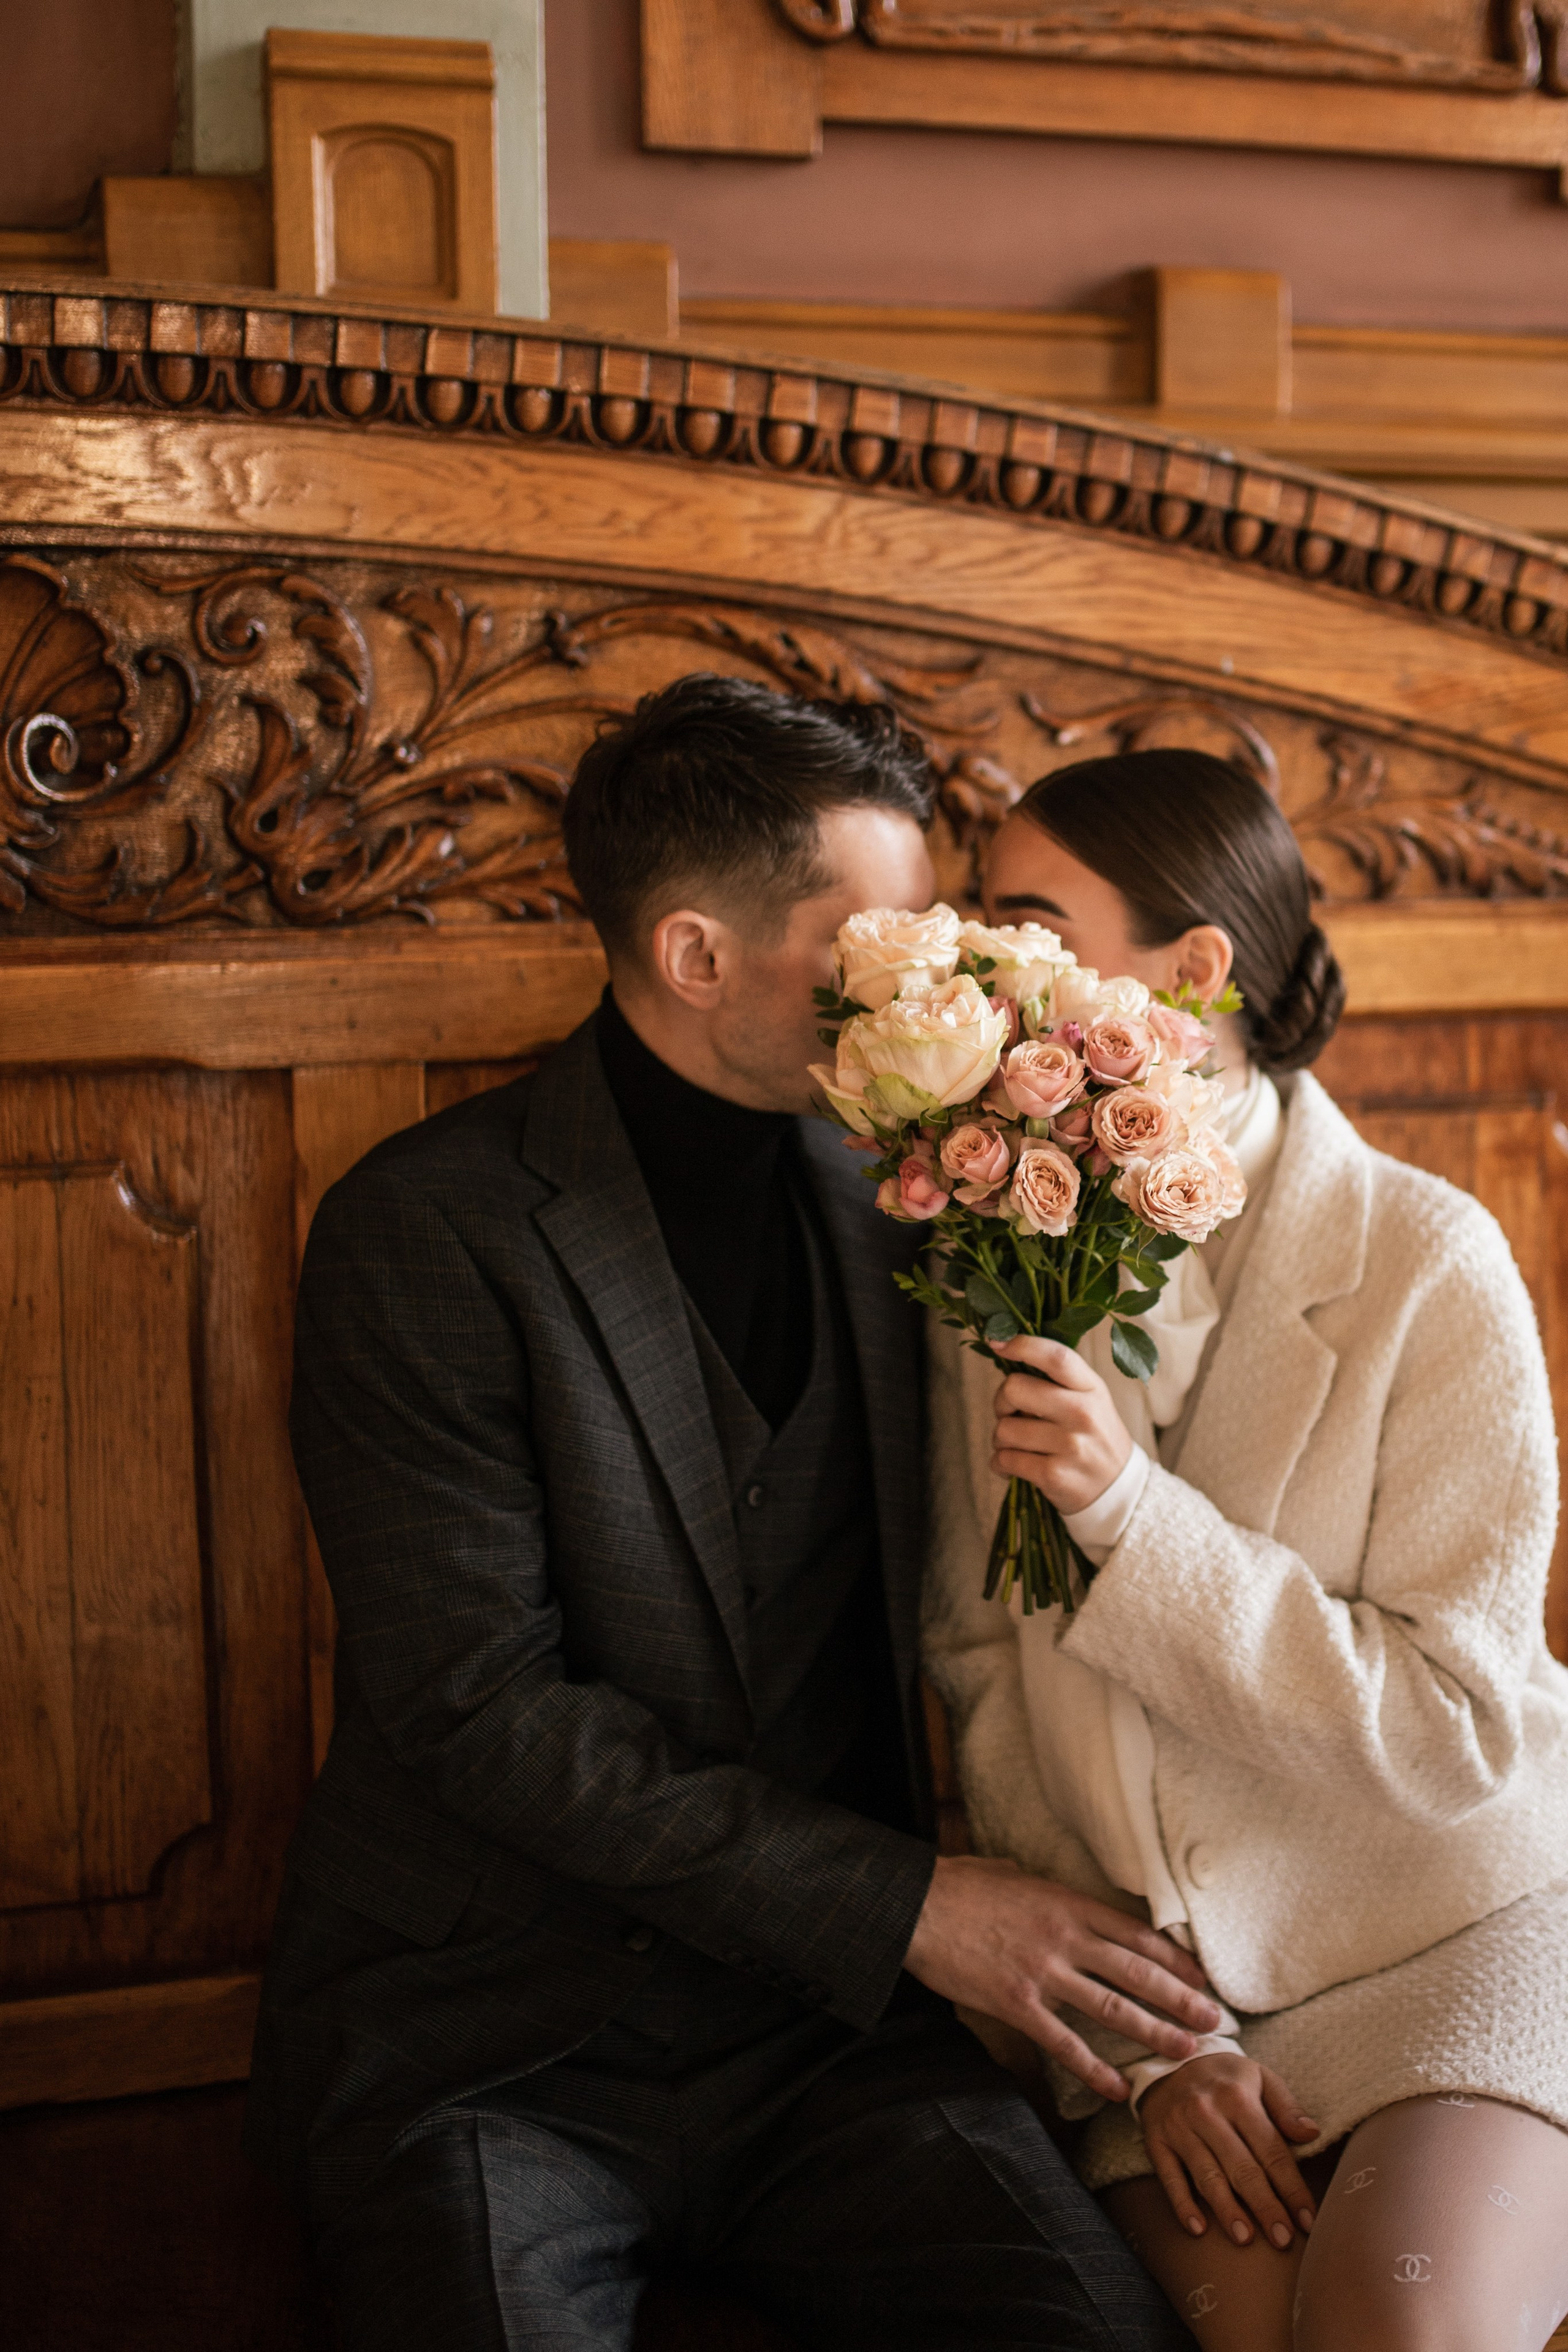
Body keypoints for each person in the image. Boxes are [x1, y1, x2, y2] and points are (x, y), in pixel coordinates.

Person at [244, 676, 1223, 2352]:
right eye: (888, 938)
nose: (939, 977)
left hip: (825, 2041)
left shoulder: (907, 1190)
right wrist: (915, 1908)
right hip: (491, 2047)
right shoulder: (423, 1229)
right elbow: (481, 1711)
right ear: (697, 958)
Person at [923, 745, 1568, 2352]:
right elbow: (984, 1689)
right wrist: (1148, 2051)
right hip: (1176, 2020)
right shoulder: (986, 1250)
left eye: (1025, 924)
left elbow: (1458, 1729)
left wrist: (1133, 1526)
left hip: (1460, 1924)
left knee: (1394, 2334)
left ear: (1192, 967)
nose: (983, 968)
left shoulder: (1431, 1260)